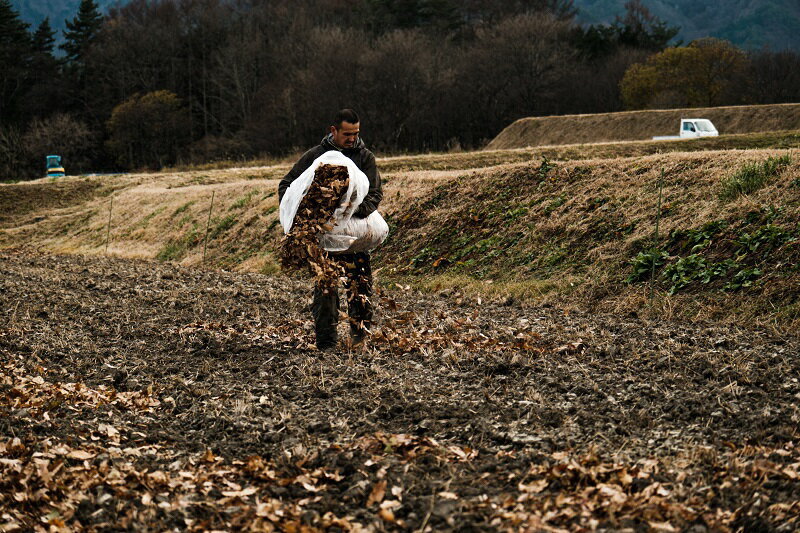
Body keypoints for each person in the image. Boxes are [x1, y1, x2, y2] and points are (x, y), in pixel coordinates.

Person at [278, 109, 383, 350]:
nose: (352, 138)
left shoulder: (364, 157)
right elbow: (287, 185)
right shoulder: (315, 156)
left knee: (360, 287)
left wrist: (351, 211)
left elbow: (375, 193)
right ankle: (326, 344)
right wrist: (300, 214)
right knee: (326, 289)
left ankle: (359, 339)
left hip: (354, 235)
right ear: (333, 130)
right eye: (347, 134)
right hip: (324, 239)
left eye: (356, 133)